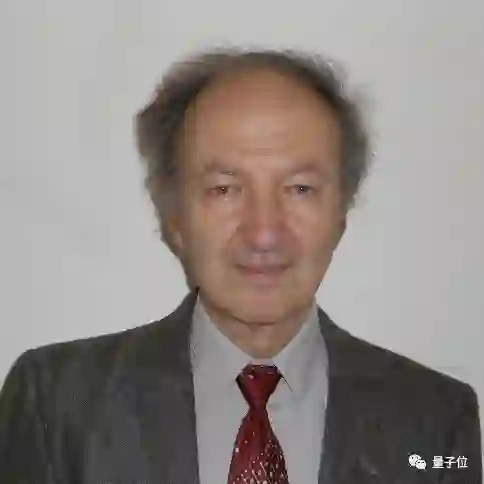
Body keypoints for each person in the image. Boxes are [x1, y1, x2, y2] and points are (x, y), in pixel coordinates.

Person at [0, 47, 481, 484]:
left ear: (341, 215)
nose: (264, 233)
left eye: (300, 189)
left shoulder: (438, 423)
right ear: (174, 217)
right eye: (224, 189)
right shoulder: (55, 406)